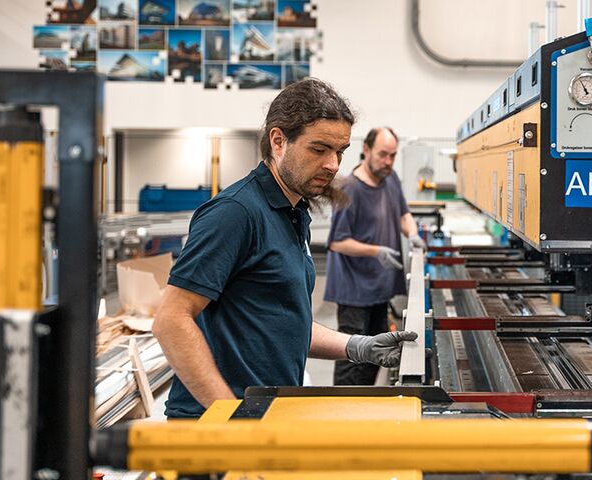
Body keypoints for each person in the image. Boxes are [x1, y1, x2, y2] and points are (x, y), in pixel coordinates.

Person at [152, 79, 417, 418]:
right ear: (278, 141)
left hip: (268, 414)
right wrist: (232, 416)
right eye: (319, 149)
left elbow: (282, 321)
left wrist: (357, 346)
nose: (334, 165)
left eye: (340, 152)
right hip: (215, 430)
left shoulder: (294, 213)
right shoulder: (237, 212)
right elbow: (170, 320)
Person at [325, 127, 426, 385]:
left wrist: (413, 234)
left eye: (392, 155)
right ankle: (343, 414)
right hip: (354, 289)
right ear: (366, 150)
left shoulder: (390, 179)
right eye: (383, 155)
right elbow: (337, 242)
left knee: (378, 351)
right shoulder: (349, 189)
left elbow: (403, 214)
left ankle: (365, 401)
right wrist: (376, 251)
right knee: (351, 354)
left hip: (380, 287)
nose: (388, 161)